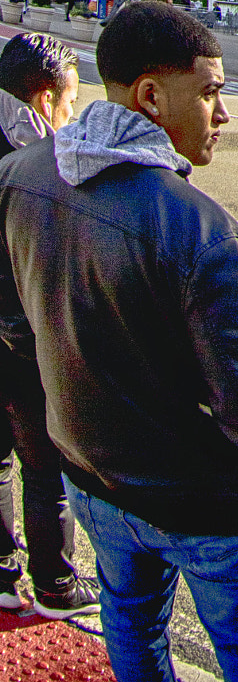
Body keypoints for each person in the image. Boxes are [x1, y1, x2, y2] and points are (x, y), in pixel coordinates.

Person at [0, 3, 238, 682]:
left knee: (131, 636)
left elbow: (16, 324)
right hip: (213, 508)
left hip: (91, 478)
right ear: (149, 95)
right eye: (208, 92)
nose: (221, 114)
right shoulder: (204, 230)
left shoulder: (20, 176)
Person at [0, 34, 90, 617]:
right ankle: (55, 583)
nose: (74, 114)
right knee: (45, 462)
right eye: (71, 101)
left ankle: (4, 579)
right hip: (22, 335)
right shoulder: (43, 162)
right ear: (42, 98)